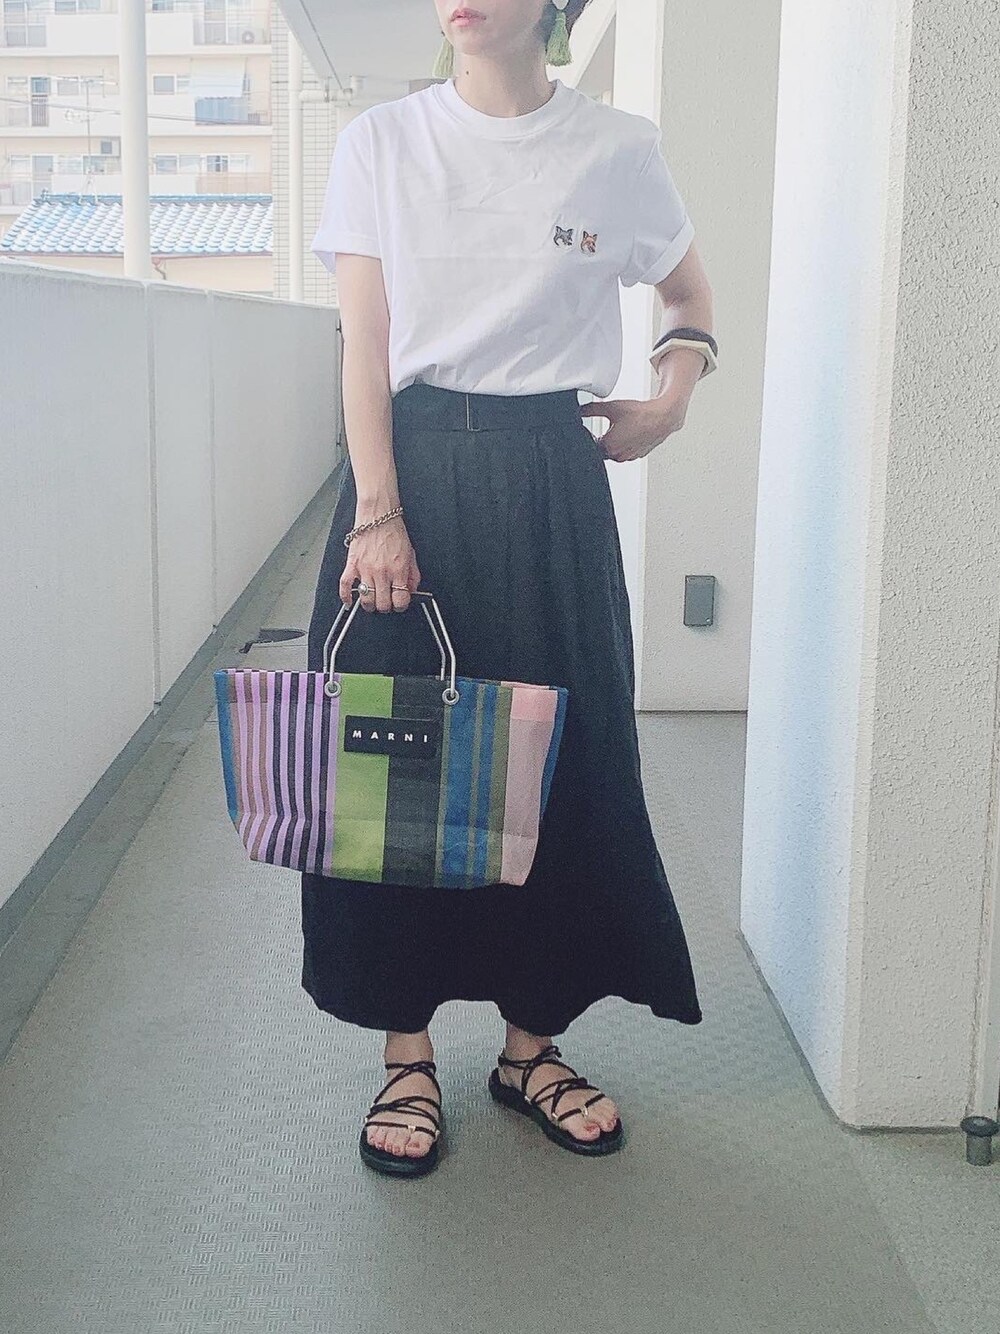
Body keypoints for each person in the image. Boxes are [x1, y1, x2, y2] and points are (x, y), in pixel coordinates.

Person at [306, 0, 713, 1178]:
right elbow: (363, 345)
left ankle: (531, 1045)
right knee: (397, 768)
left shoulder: (616, 149)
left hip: (551, 481)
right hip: (411, 477)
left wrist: (670, 399)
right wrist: (378, 510)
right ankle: (406, 1052)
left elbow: (688, 295)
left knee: (559, 761)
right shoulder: (383, 141)